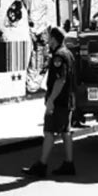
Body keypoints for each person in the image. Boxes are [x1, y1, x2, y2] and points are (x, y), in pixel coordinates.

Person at [22, 26, 77, 177]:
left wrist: (51, 100)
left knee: (49, 131)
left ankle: (42, 165)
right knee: (66, 132)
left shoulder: (58, 56)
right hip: (67, 100)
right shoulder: (68, 54)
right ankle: (69, 164)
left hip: (58, 101)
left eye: (49, 37)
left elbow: (60, 80)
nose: (47, 40)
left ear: (54, 39)